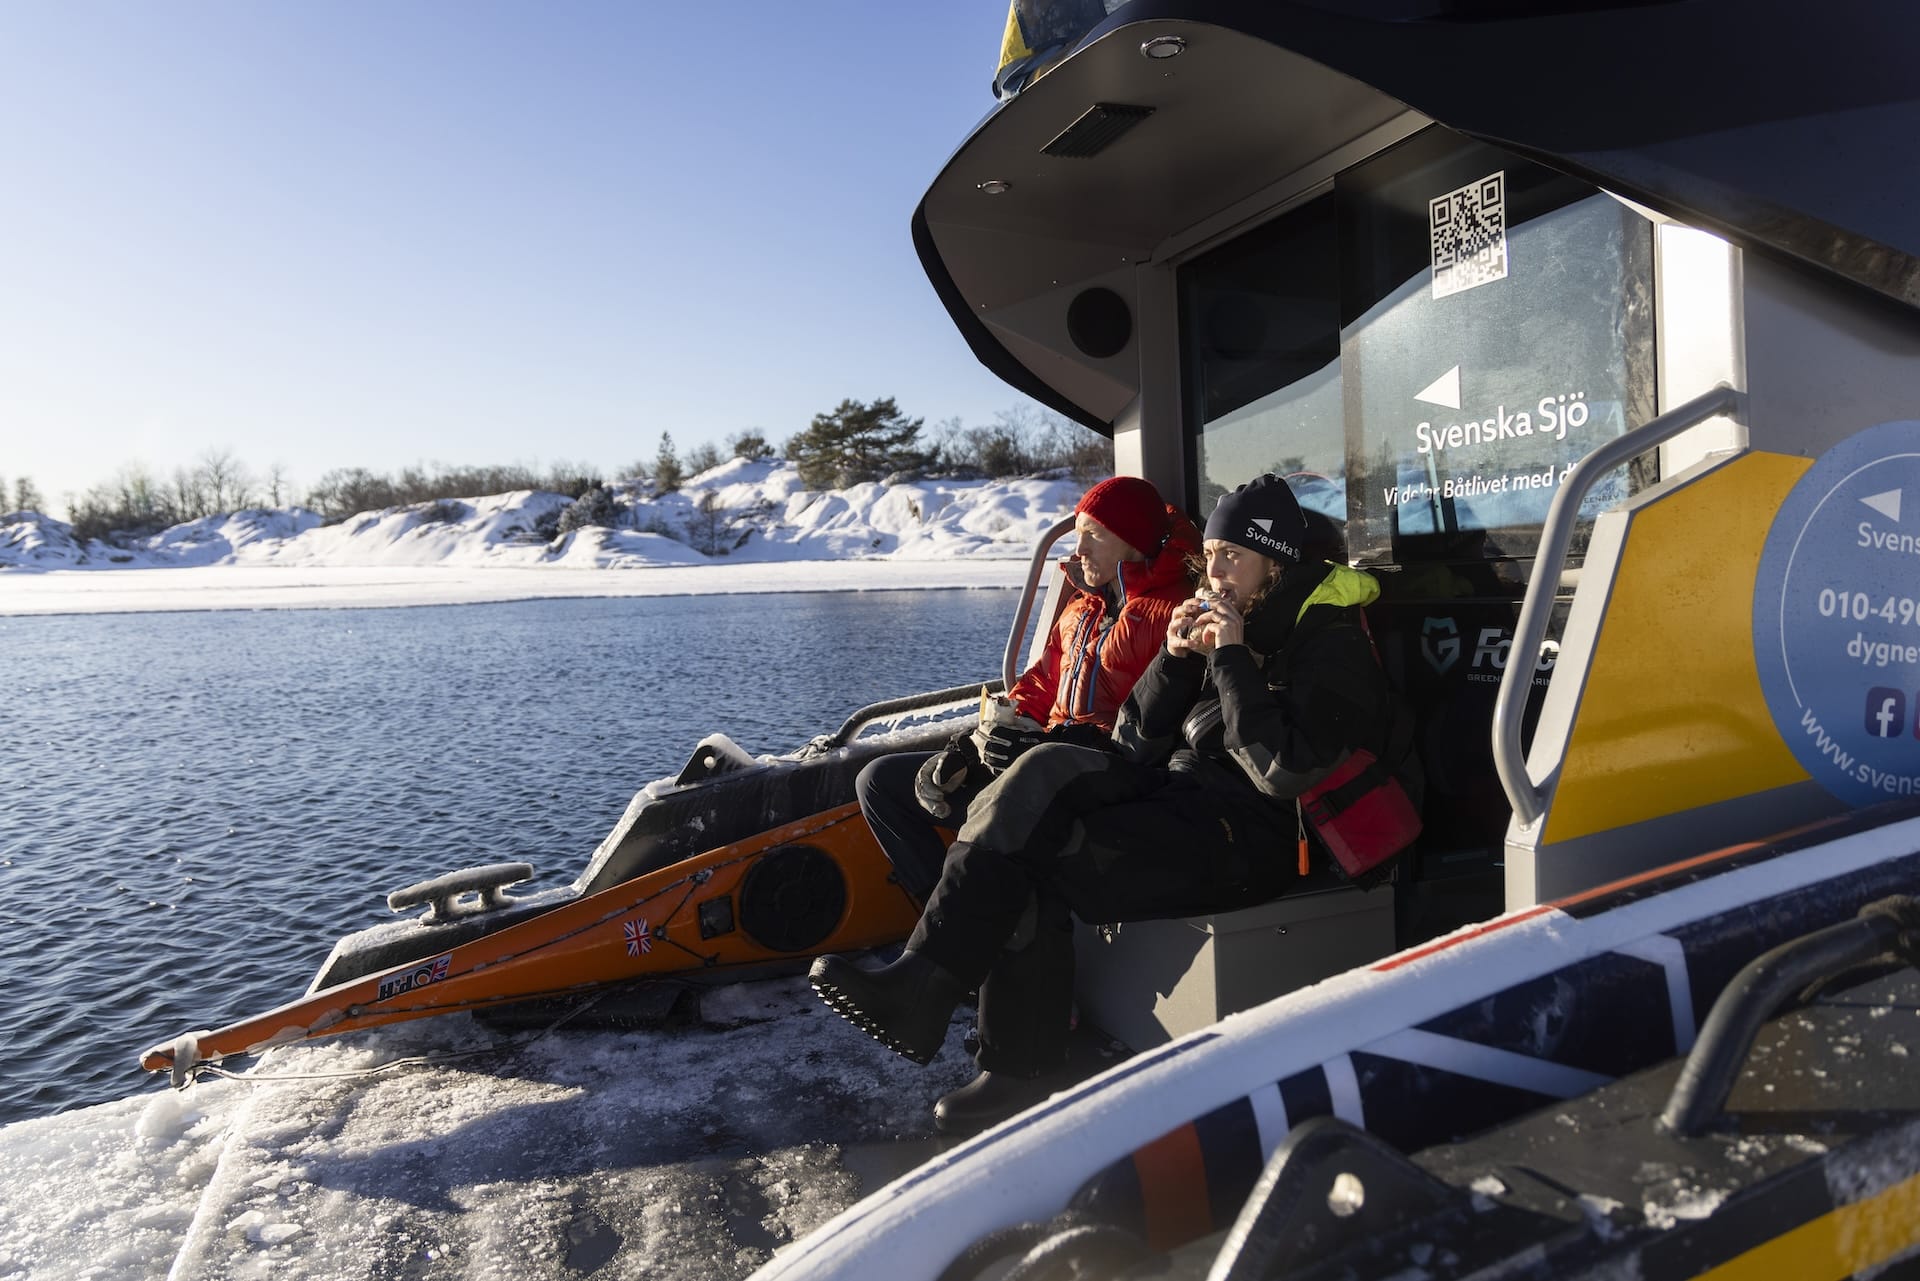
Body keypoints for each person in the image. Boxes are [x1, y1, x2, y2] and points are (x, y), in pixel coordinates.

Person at [812, 473, 1409, 1134]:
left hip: (1261, 839)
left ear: (1276, 561)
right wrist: (1177, 661)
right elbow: (1132, 740)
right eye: (1208, 554)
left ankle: (971, 1027)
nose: (1212, 572)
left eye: (1232, 556)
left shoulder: (1327, 639)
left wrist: (1233, 656)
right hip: (1190, 804)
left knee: (1036, 838)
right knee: (1037, 795)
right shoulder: (1235, 620)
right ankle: (983, 1038)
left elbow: (1281, 769)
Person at [855, 475, 1200, 902]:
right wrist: (976, 740)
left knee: (994, 811)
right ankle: (940, 920)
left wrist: (1049, 746)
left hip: (1095, 778)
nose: (1080, 550)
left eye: (1094, 535)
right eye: (1079, 536)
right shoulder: (1083, 607)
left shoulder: (1172, 614)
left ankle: (968, 929)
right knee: (880, 781)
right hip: (1039, 756)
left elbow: (1154, 724)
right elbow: (1037, 685)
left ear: (1133, 540)